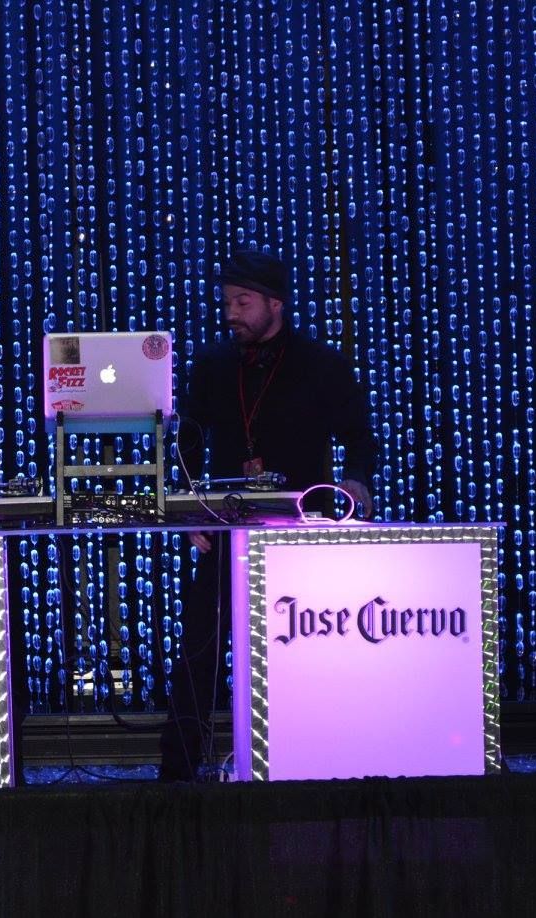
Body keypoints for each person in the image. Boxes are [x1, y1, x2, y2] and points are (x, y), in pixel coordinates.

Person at [159, 249, 378, 780]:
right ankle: (178, 773)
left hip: (303, 526)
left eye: (242, 301)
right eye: (227, 302)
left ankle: (319, 758)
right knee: (200, 649)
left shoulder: (321, 364)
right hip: (227, 523)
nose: (231, 312)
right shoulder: (213, 367)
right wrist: (190, 510)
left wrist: (357, 481)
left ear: (275, 303)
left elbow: (358, 437)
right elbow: (186, 441)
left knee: (308, 645)